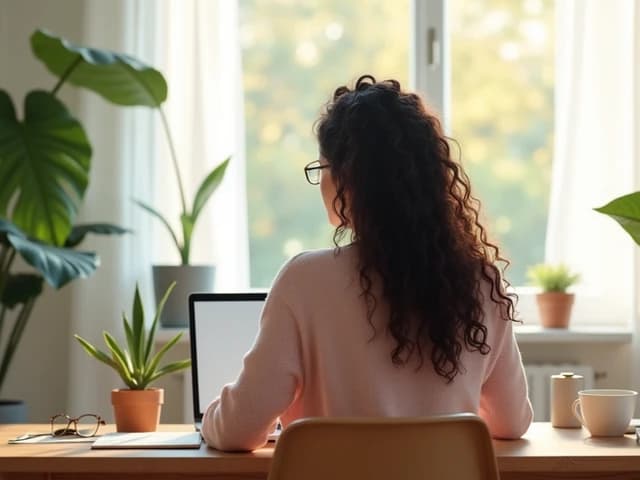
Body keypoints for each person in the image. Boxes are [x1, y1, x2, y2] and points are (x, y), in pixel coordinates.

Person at [201, 75, 533, 451]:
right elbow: (512, 423)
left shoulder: (304, 281)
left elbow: (236, 432)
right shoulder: (479, 282)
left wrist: (212, 417)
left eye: (321, 169)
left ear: (346, 178)